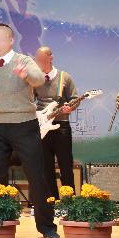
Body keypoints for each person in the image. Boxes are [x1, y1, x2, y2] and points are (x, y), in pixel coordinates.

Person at [0, 23, 59, 238]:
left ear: (10, 40)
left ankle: (47, 227)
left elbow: (38, 79)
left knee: (37, 176)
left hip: (25, 125)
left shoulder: (23, 60)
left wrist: (25, 74)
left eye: (0, 39)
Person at [33, 46, 77, 199]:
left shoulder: (65, 77)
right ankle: (52, 201)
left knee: (66, 166)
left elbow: (74, 99)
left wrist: (69, 108)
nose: (37, 61)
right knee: (46, 168)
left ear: (50, 58)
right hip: (42, 128)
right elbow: (30, 101)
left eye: (40, 58)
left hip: (61, 127)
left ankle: (69, 202)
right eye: (36, 59)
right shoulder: (35, 79)